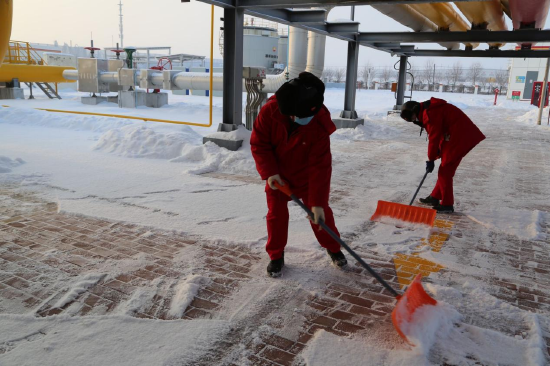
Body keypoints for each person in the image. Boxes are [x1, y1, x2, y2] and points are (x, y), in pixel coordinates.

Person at [250, 72, 347, 277]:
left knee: (321, 217)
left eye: (300, 116)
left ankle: (334, 248)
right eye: (293, 116)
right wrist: (270, 172)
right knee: (275, 215)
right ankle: (276, 256)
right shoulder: (270, 112)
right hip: (278, 177)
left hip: (307, 178)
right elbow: (259, 143)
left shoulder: (319, 124)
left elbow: (320, 167)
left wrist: (317, 203)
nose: (296, 119)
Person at [400, 98, 485, 213]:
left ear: (415, 110)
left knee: (445, 171)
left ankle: (447, 204)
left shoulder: (430, 113)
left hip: (460, 137)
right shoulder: (428, 110)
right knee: (446, 169)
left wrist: (431, 159)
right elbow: (440, 131)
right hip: (455, 135)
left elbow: (434, 138)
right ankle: (435, 197)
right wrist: (438, 151)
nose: (415, 120)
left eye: (413, 117)